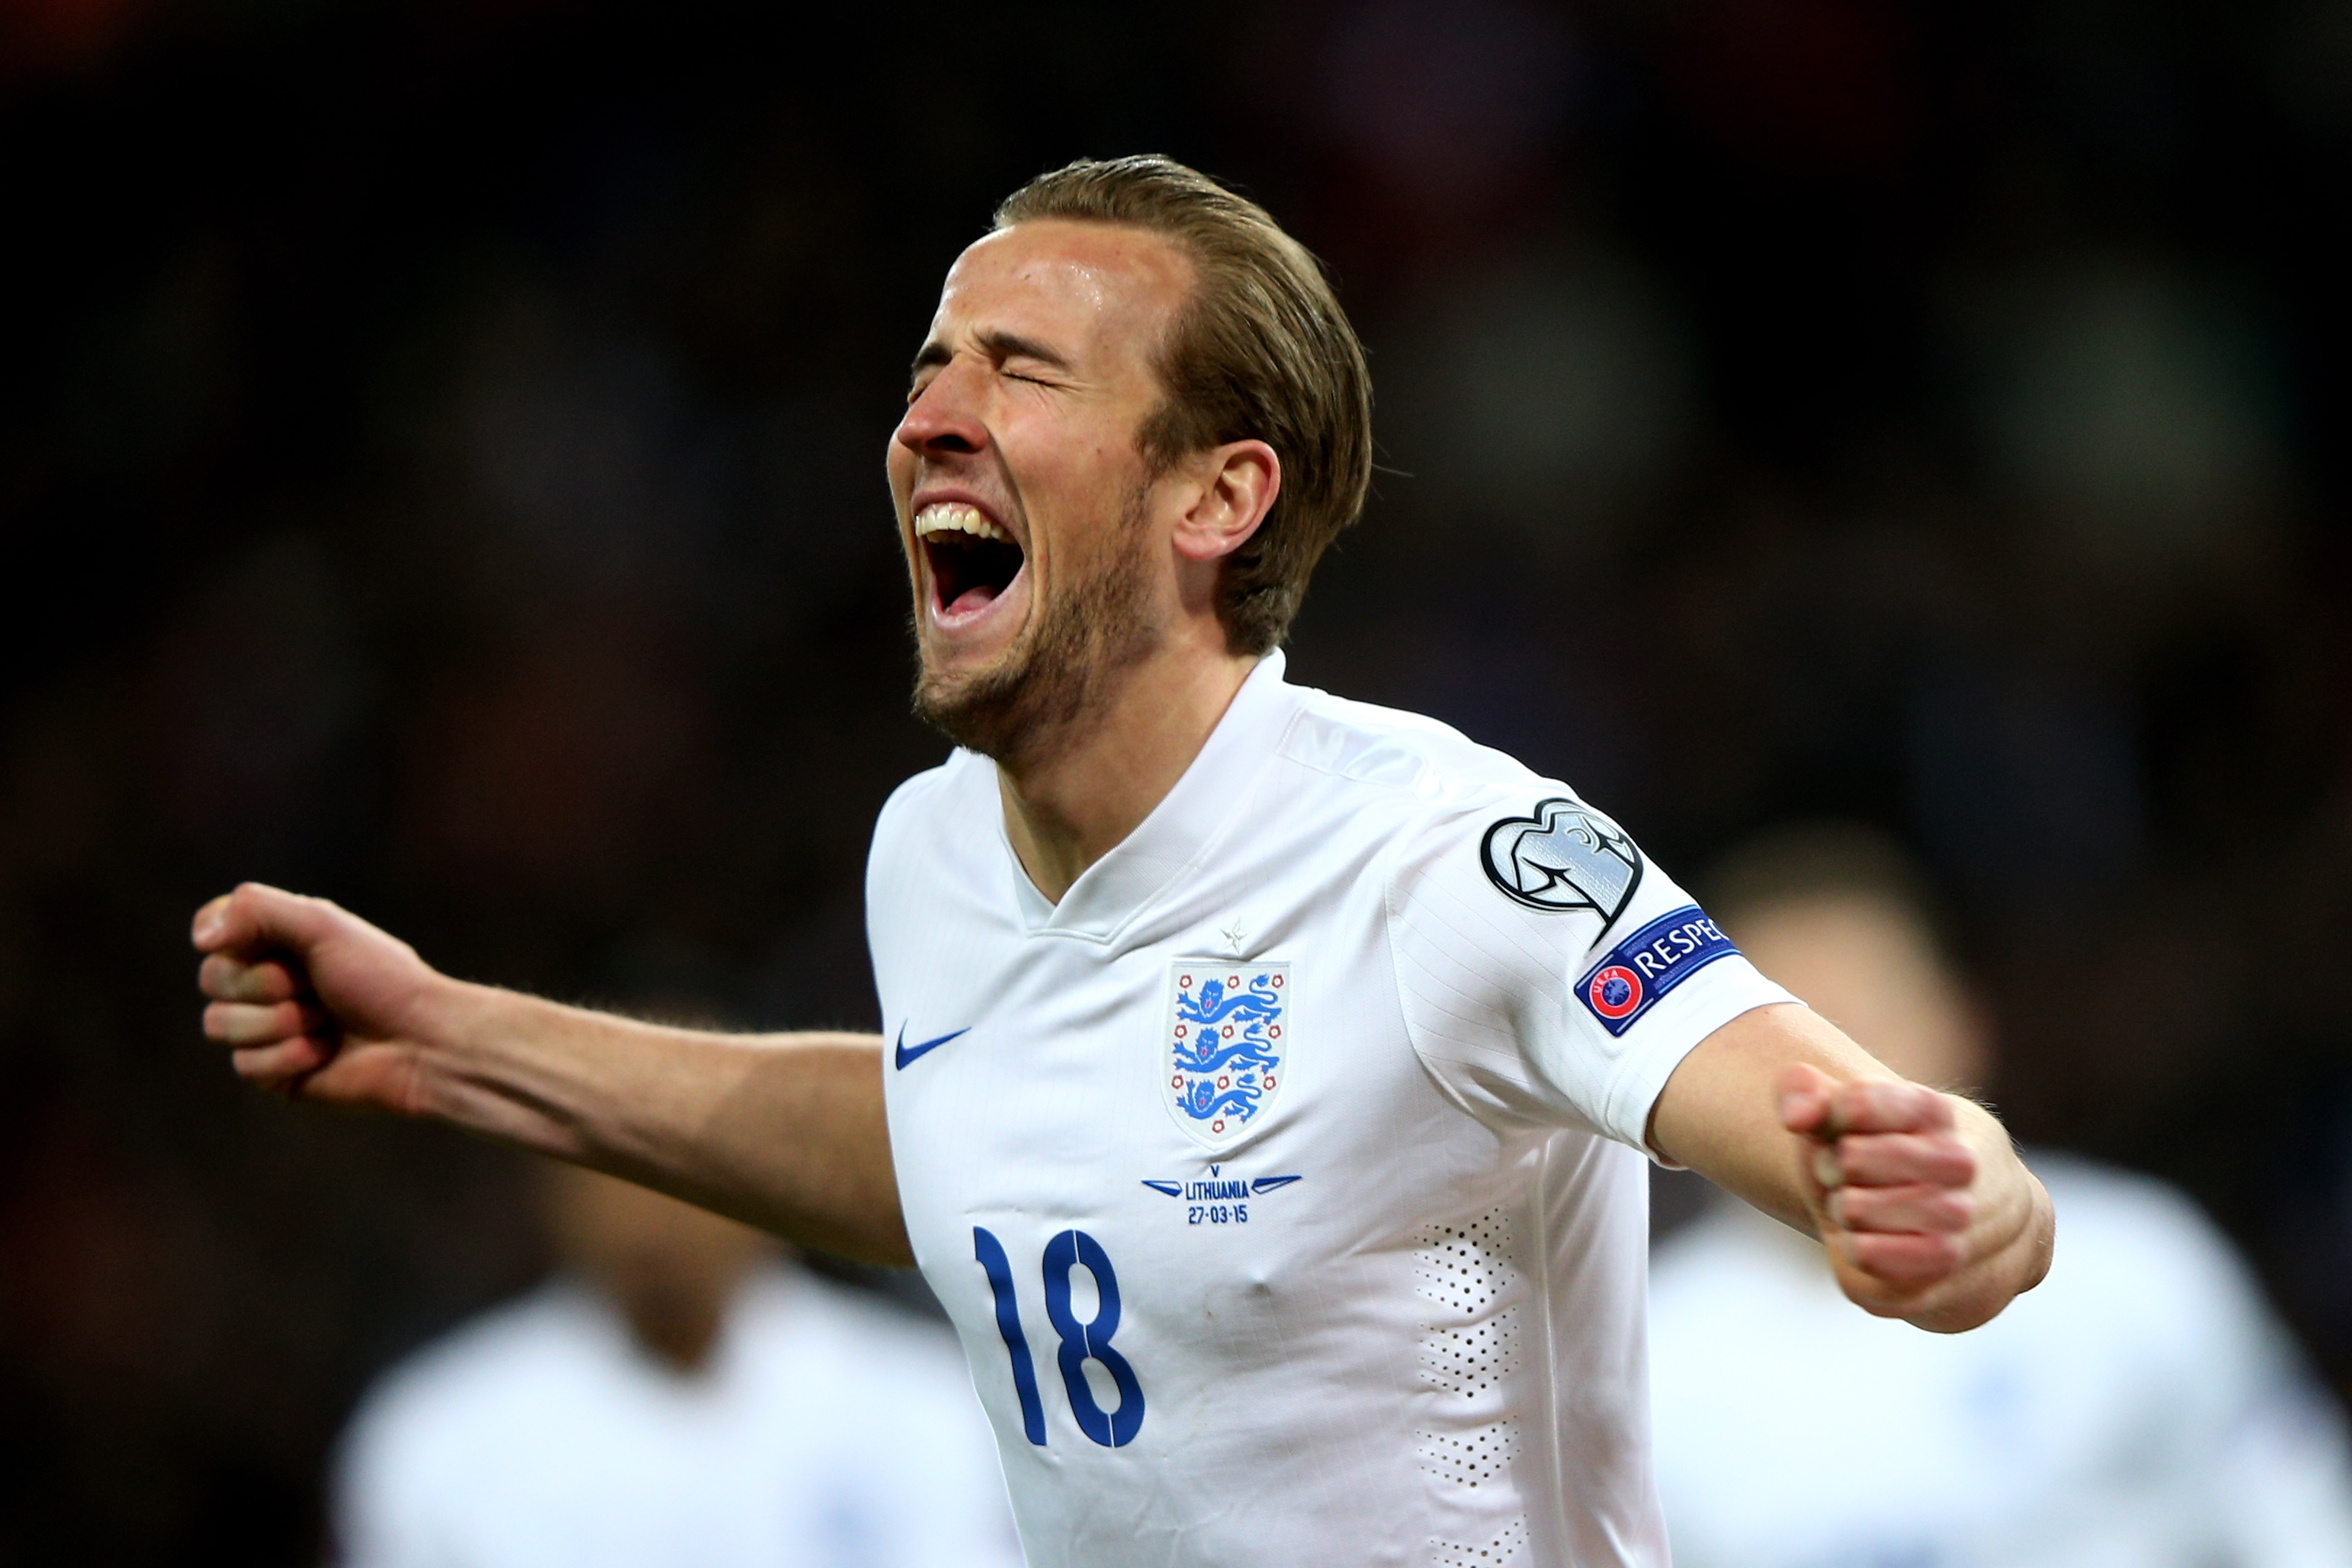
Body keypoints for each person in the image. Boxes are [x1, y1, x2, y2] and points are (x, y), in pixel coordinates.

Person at [192, 156, 2054, 1568]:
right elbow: (962, 1144)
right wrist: (451, 1043)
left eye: (1020, 372)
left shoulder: (1451, 860)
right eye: (930, 367)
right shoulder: (927, 857)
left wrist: (1957, 1196)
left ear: (1213, 497)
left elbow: (1812, 1100)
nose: (932, 414)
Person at [1648, 823, 2352, 1568]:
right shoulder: (1647, 1360)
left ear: (1959, 1022)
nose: (1837, 1088)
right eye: (1787, 1050)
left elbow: (2301, 1521)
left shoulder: (2140, 1260)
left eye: (1860, 1025)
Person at [334, 1163, 1022, 1568]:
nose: (653, 1215)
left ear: (768, 1175)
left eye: (682, 1169)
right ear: (554, 1191)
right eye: (617, 1172)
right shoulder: (438, 1433)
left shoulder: (929, 1404)